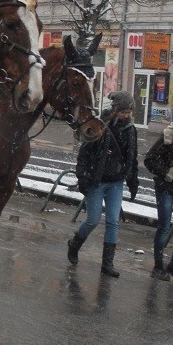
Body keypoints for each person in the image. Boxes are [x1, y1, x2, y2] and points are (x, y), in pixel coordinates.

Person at [68, 90, 139, 278]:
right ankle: (74, 245)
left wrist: (133, 182)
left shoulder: (131, 130)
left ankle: (107, 264)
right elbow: (84, 154)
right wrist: (82, 177)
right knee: (93, 219)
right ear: (115, 110)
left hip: (116, 182)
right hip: (97, 182)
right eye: (124, 111)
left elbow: (133, 159)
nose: (127, 115)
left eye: (129, 112)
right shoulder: (101, 127)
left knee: (113, 222)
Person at [144, 104, 173, 281]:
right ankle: (158, 266)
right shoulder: (169, 137)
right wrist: (167, 172)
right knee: (164, 226)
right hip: (166, 187)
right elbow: (150, 159)